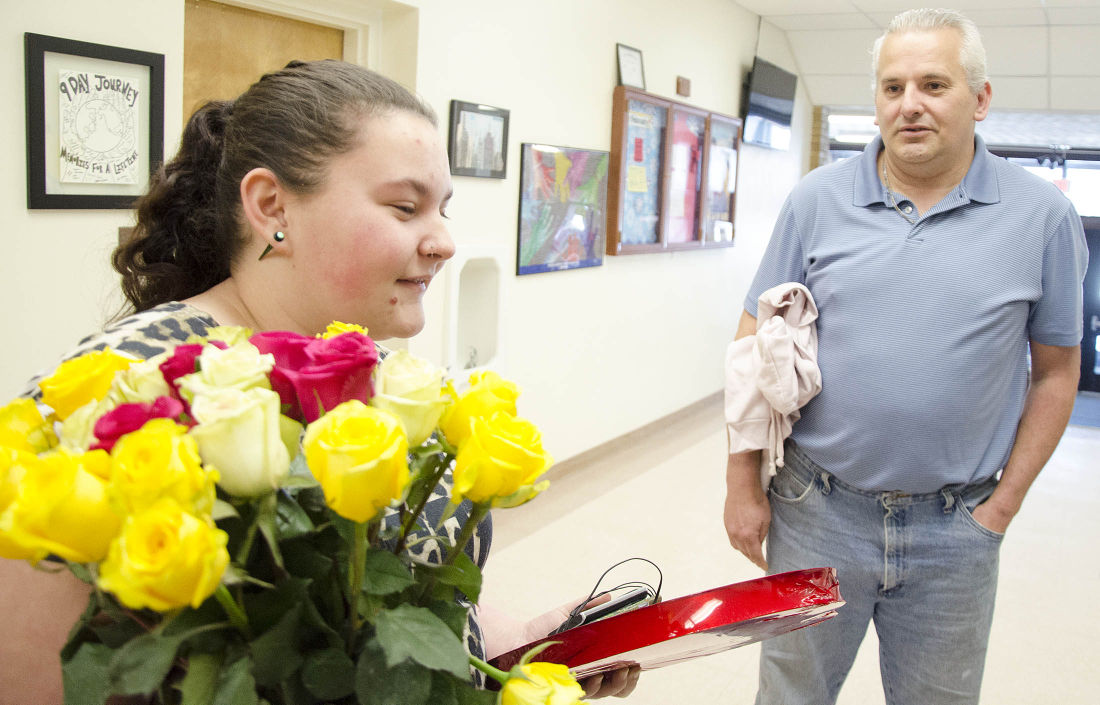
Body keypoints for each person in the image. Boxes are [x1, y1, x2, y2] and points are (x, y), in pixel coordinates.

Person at [0, 60, 637, 702]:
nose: (443, 241)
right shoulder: (124, 394)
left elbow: (405, 595)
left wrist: (529, 639)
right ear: (272, 206)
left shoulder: (387, 380)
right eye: (404, 207)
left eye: (442, 209)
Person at [723, 9, 1088, 705]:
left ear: (980, 98)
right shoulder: (816, 200)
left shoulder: (1042, 216)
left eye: (932, 84)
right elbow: (753, 344)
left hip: (956, 529)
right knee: (789, 695)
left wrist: (1002, 507)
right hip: (815, 510)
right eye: (892, 88)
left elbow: (1056, 372)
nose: (909, 105)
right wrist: (742, 482)